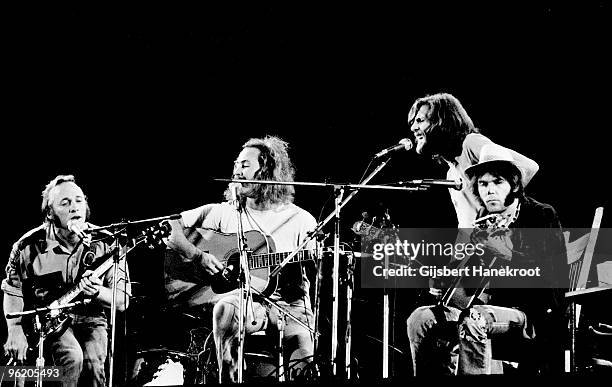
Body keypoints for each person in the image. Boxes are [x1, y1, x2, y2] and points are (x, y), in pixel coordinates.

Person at [406, 144, 568, 375]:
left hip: (532, 315)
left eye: (498, 182)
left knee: (474, 319)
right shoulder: (481, 222)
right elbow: (471, 287)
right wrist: (444, 282)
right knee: (420, 319)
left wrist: (505, 253)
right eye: (483, 184)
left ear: (513, 184)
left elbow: (551, 276)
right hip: (483, 309)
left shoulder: (540, 215)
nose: (490, 190)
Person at [167, 135, 317, 383]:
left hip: (291, 308)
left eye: (244, 166)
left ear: (267, 170)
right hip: (246, 302)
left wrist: (321, 262)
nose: (236, 171)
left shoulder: (301, 219)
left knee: (304, 366)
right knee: (225, 308)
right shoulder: (223, 212)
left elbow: (321, 269)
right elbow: (169, 227)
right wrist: (198, 257)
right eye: (236, 165)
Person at [2, 175, 131, 386]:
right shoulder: (28, 246)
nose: (74, 207)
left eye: (79, 201)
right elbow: (13, 290)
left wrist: (97, 291)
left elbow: (122, 301)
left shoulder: (108, 243)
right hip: (47, 321)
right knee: (72, 358)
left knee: (93, 364)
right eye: (65, 202)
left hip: (91, 318)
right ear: (50, 213)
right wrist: (14, 330)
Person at [408, 92, 540, 227]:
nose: (413, 128)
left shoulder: (470, 143)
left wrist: (503, 211)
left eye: (420, 120)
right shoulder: (451, 173)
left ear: (442, 121)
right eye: (412, 123)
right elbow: (466, 226)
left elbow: (528, 166)